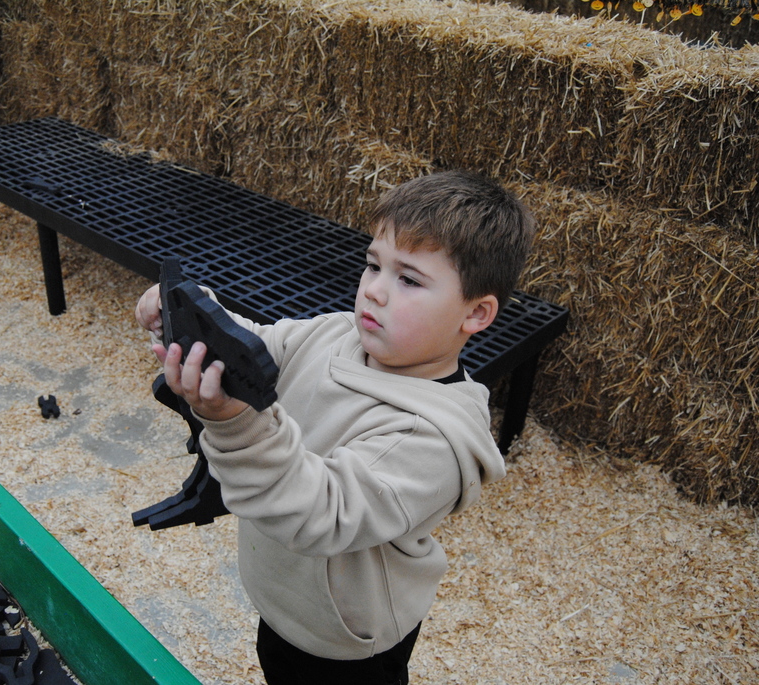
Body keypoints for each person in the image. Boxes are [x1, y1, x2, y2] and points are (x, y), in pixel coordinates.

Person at [135, 170, 536, 684]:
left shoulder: (431, 437)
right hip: (289, 599)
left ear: (476, 313)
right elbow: (254, 347)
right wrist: (196, 315)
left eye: (409, 280)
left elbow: (321, 514)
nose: (375, 291)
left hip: (344, 642)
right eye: (374, 265)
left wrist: (233, 422)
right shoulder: (335, 334)